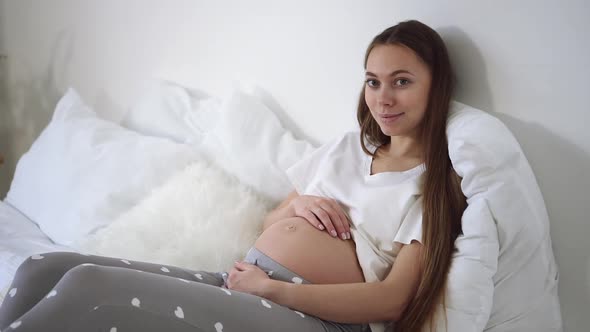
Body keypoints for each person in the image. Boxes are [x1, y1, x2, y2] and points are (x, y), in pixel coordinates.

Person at [0, 19, 466, 332]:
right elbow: (271, 222)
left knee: (89, 287)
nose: (383, 98)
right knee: (45, 266)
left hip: (307, 315)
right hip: (246, 281)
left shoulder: (431, 188)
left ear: (435, 85)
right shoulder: (346, 149)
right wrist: (297, 206)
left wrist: (272, 289)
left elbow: (393, 301)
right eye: (373, 81)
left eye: (401, 81)